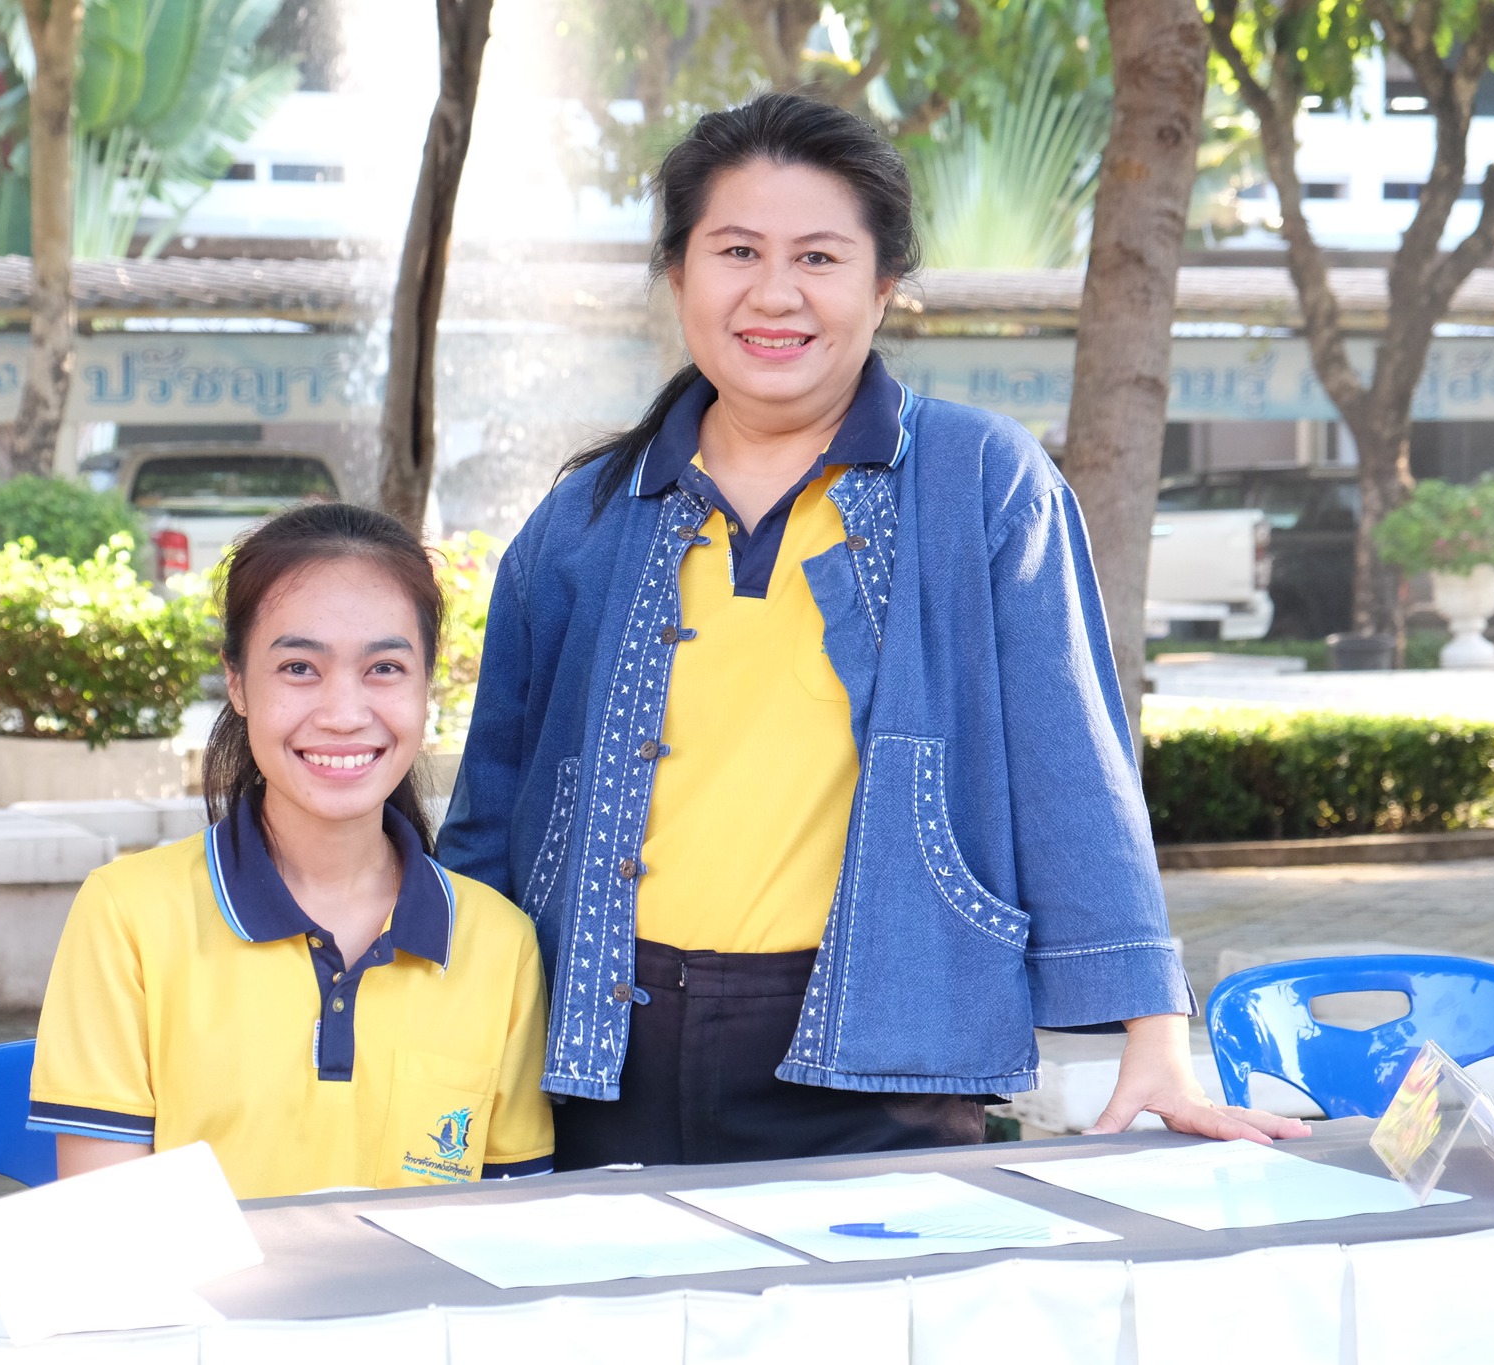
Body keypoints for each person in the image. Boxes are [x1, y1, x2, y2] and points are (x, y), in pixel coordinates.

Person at [436, 93, 1307, 1169]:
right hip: (590, 1046)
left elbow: (1069, 766)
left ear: (882, 285)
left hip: (877, 1052)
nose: (773, 294)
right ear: (676, 276)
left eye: (817, 257)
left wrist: (1156, 1042)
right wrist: (439, 1027)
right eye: (735, 250)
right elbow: (492, 808)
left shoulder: (981, 483)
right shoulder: (582, 516)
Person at [28, 502, 554, 1199]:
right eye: (300, 667)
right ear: (238, 683)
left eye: (386, 668)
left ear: (429, 687)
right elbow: (111, 1232)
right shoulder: (127, 915)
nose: (342, 712)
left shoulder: (500, 946)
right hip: (200, 1310)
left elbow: (504, 1230)